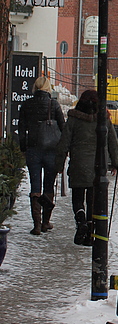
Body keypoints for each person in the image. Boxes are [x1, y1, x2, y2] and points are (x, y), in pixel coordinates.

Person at [55, 90, 118, 246]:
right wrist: (116, 163)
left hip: (78, 163)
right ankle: (90, 232)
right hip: (98, 166)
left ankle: (81, 220)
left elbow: (63, 143)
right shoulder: (104, 119)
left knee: (77, 198)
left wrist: (59, 164)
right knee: (92, 200)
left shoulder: (74, 119)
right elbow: (113, 142)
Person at [18, 75, 65, 235]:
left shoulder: (27, 105)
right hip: (51, 150)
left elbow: (22, 129)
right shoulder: (54, 104)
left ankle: (36, 224)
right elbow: (63, 128)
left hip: (33, 149)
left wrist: (23, 147)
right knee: (49, 185)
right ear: (48, 89)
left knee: (35, 186)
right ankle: (45, 222)